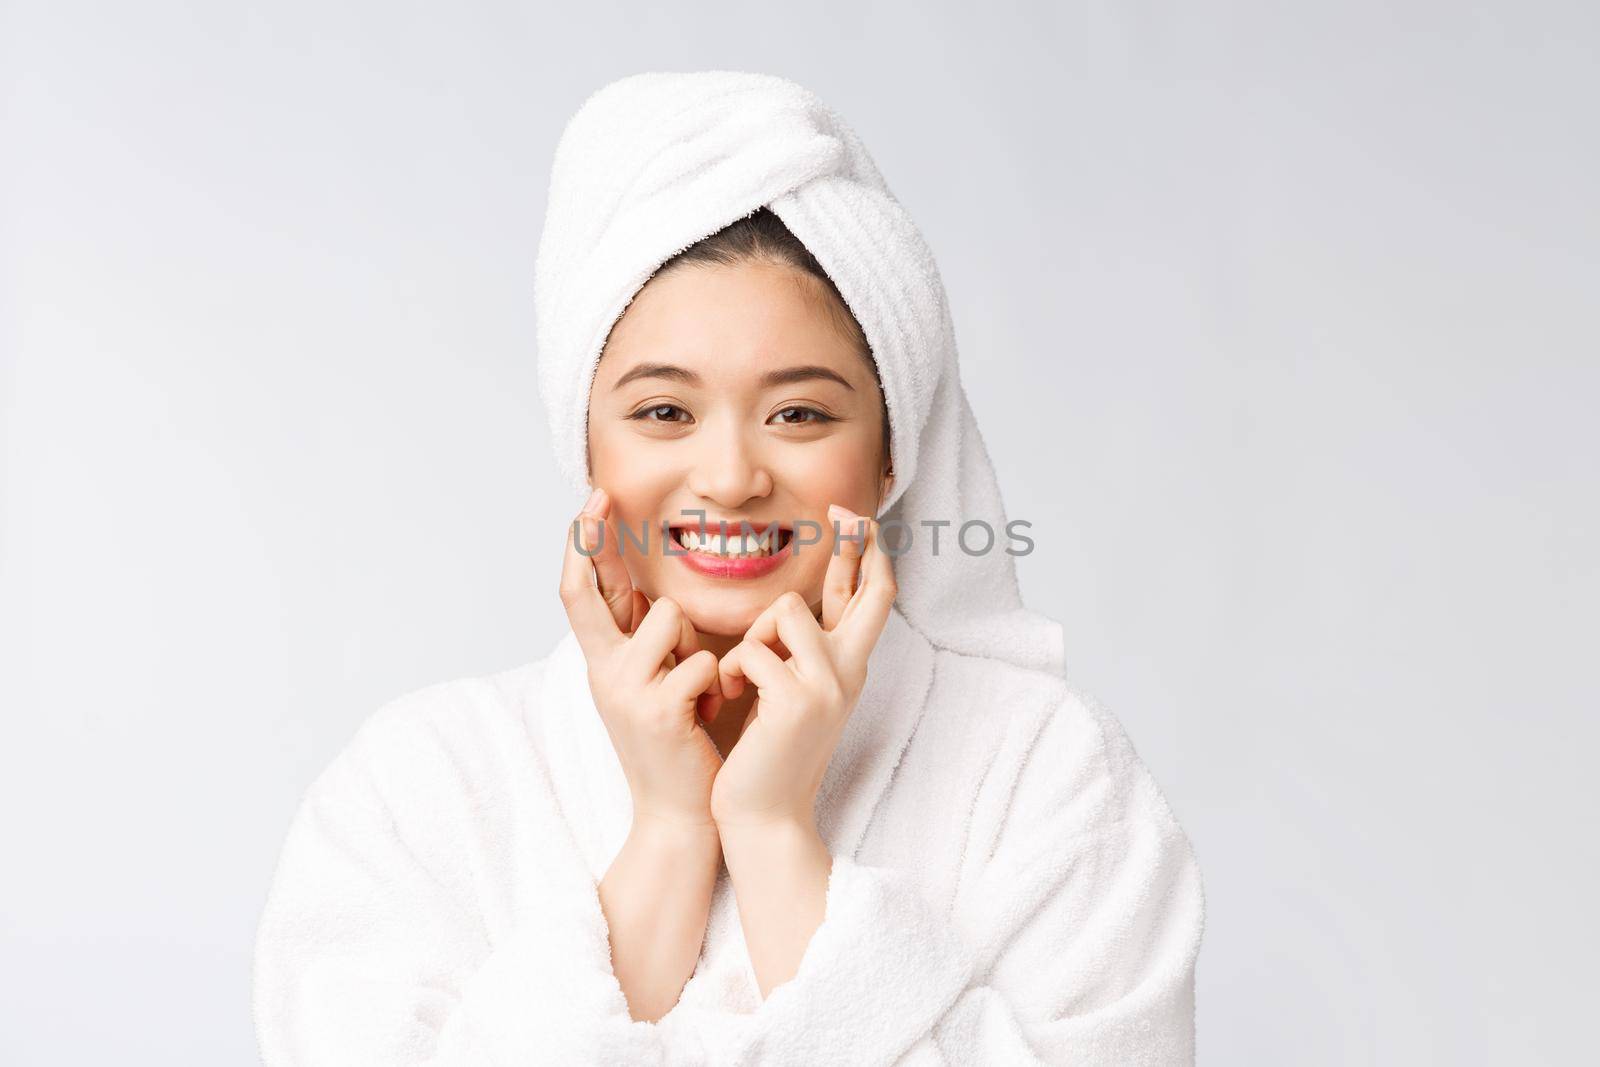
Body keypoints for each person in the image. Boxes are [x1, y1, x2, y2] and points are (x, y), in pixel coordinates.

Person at [252, 72, 1205, 1066]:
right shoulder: (425, 782)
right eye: (663, 410)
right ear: (587, 447)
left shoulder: (1043, 775)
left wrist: (773, 835)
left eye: (799, 413)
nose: (732, 475)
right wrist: (668, 829)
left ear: (892, 455)